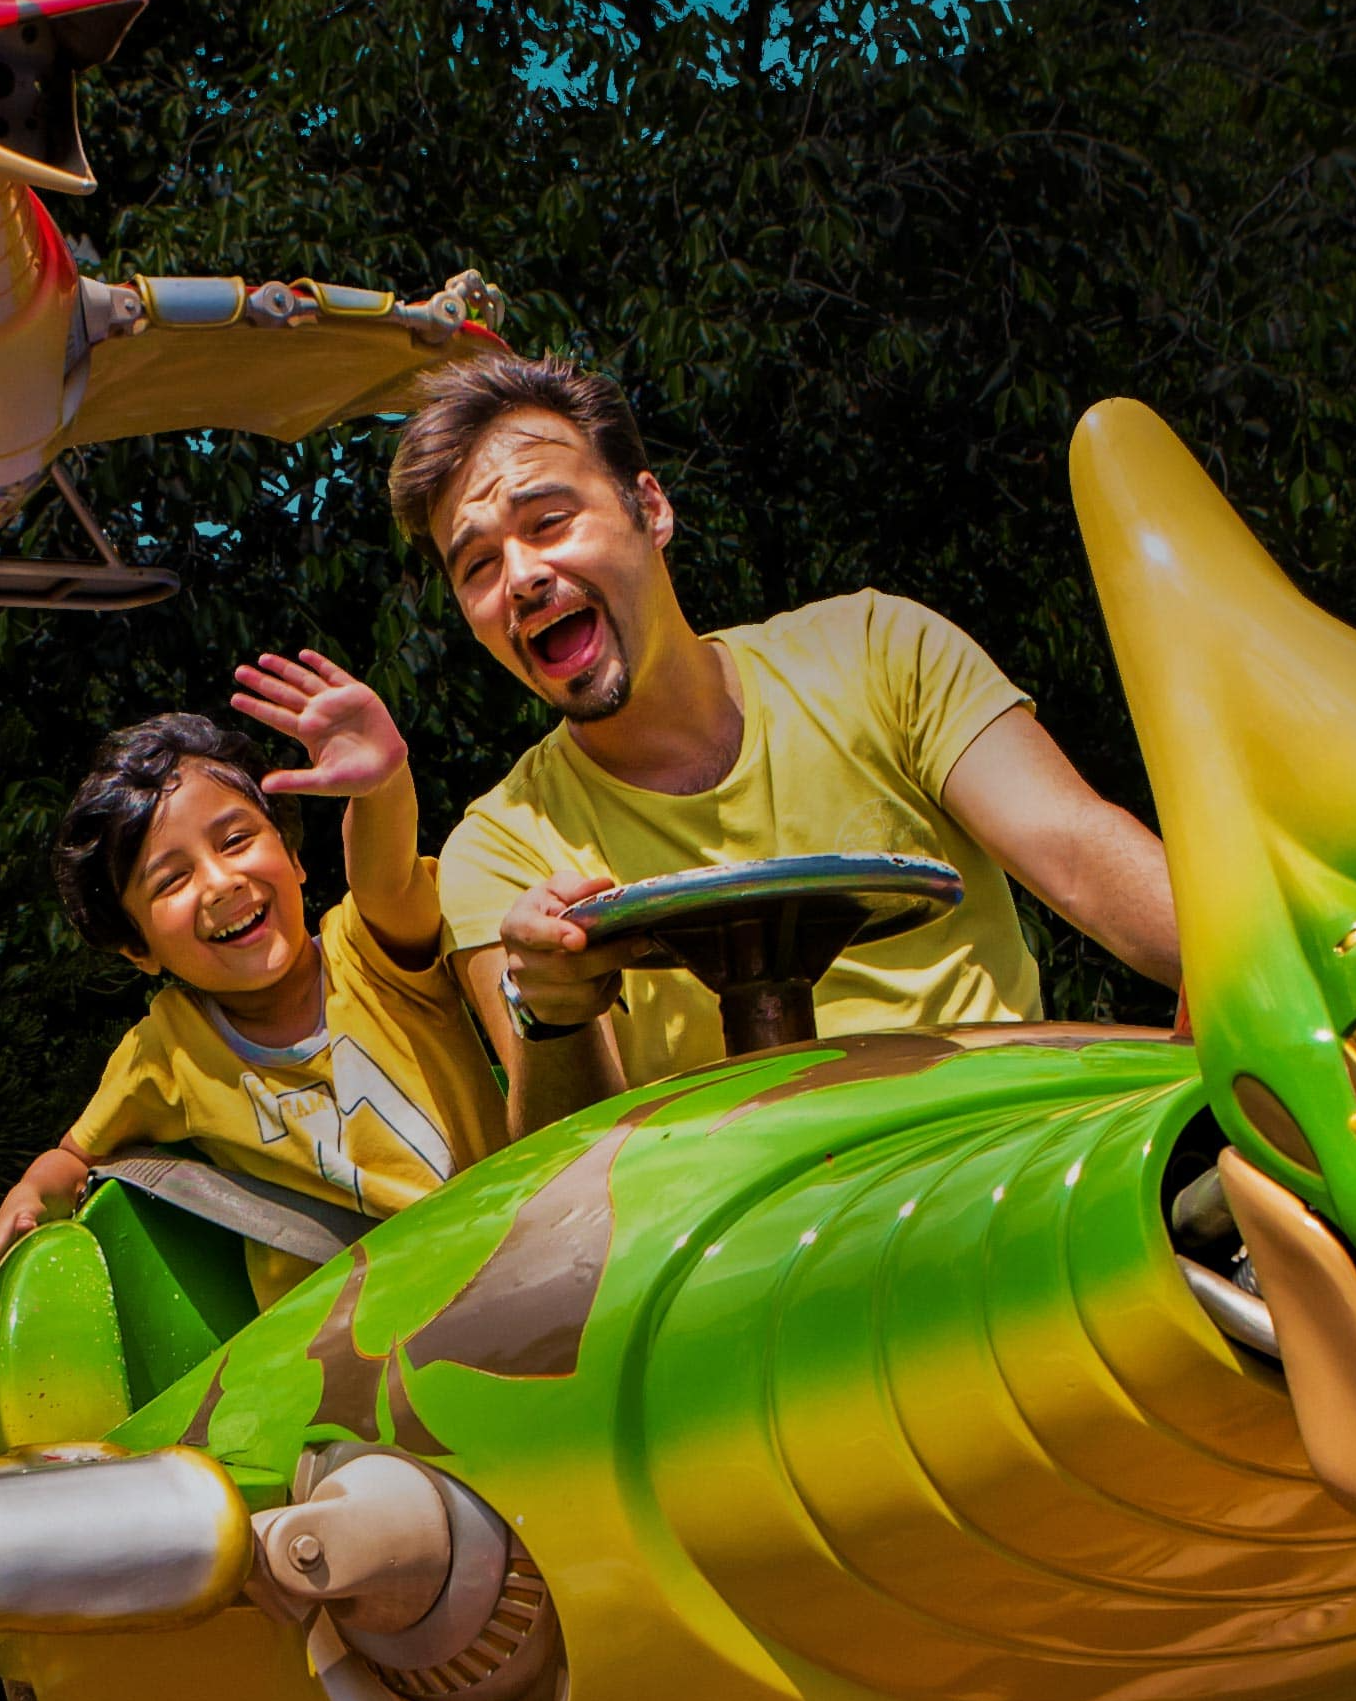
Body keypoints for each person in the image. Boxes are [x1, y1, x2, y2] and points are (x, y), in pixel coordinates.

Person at [392, 354, 1185, 1129]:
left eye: (550, 522)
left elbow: (1077, 850)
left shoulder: (877, 651)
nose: (523, 577)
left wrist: (1264, 964)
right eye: (479, 566)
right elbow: (570, 1172)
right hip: (755, 1240)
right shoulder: (499, 850)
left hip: (1010, 1157)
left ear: (651, 509)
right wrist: (552, 1015)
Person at [0, 659, 502, 1329]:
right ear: (139, 947)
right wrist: (31, 1197)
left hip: (498, 1279)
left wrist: (383, 785)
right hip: (342, 1361)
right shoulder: (169, 1050)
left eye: (237, 840)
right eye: (171, 880)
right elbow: (76, 1156)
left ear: (296, 857)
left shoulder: (372, 952)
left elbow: (385, 878)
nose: (219, 883)